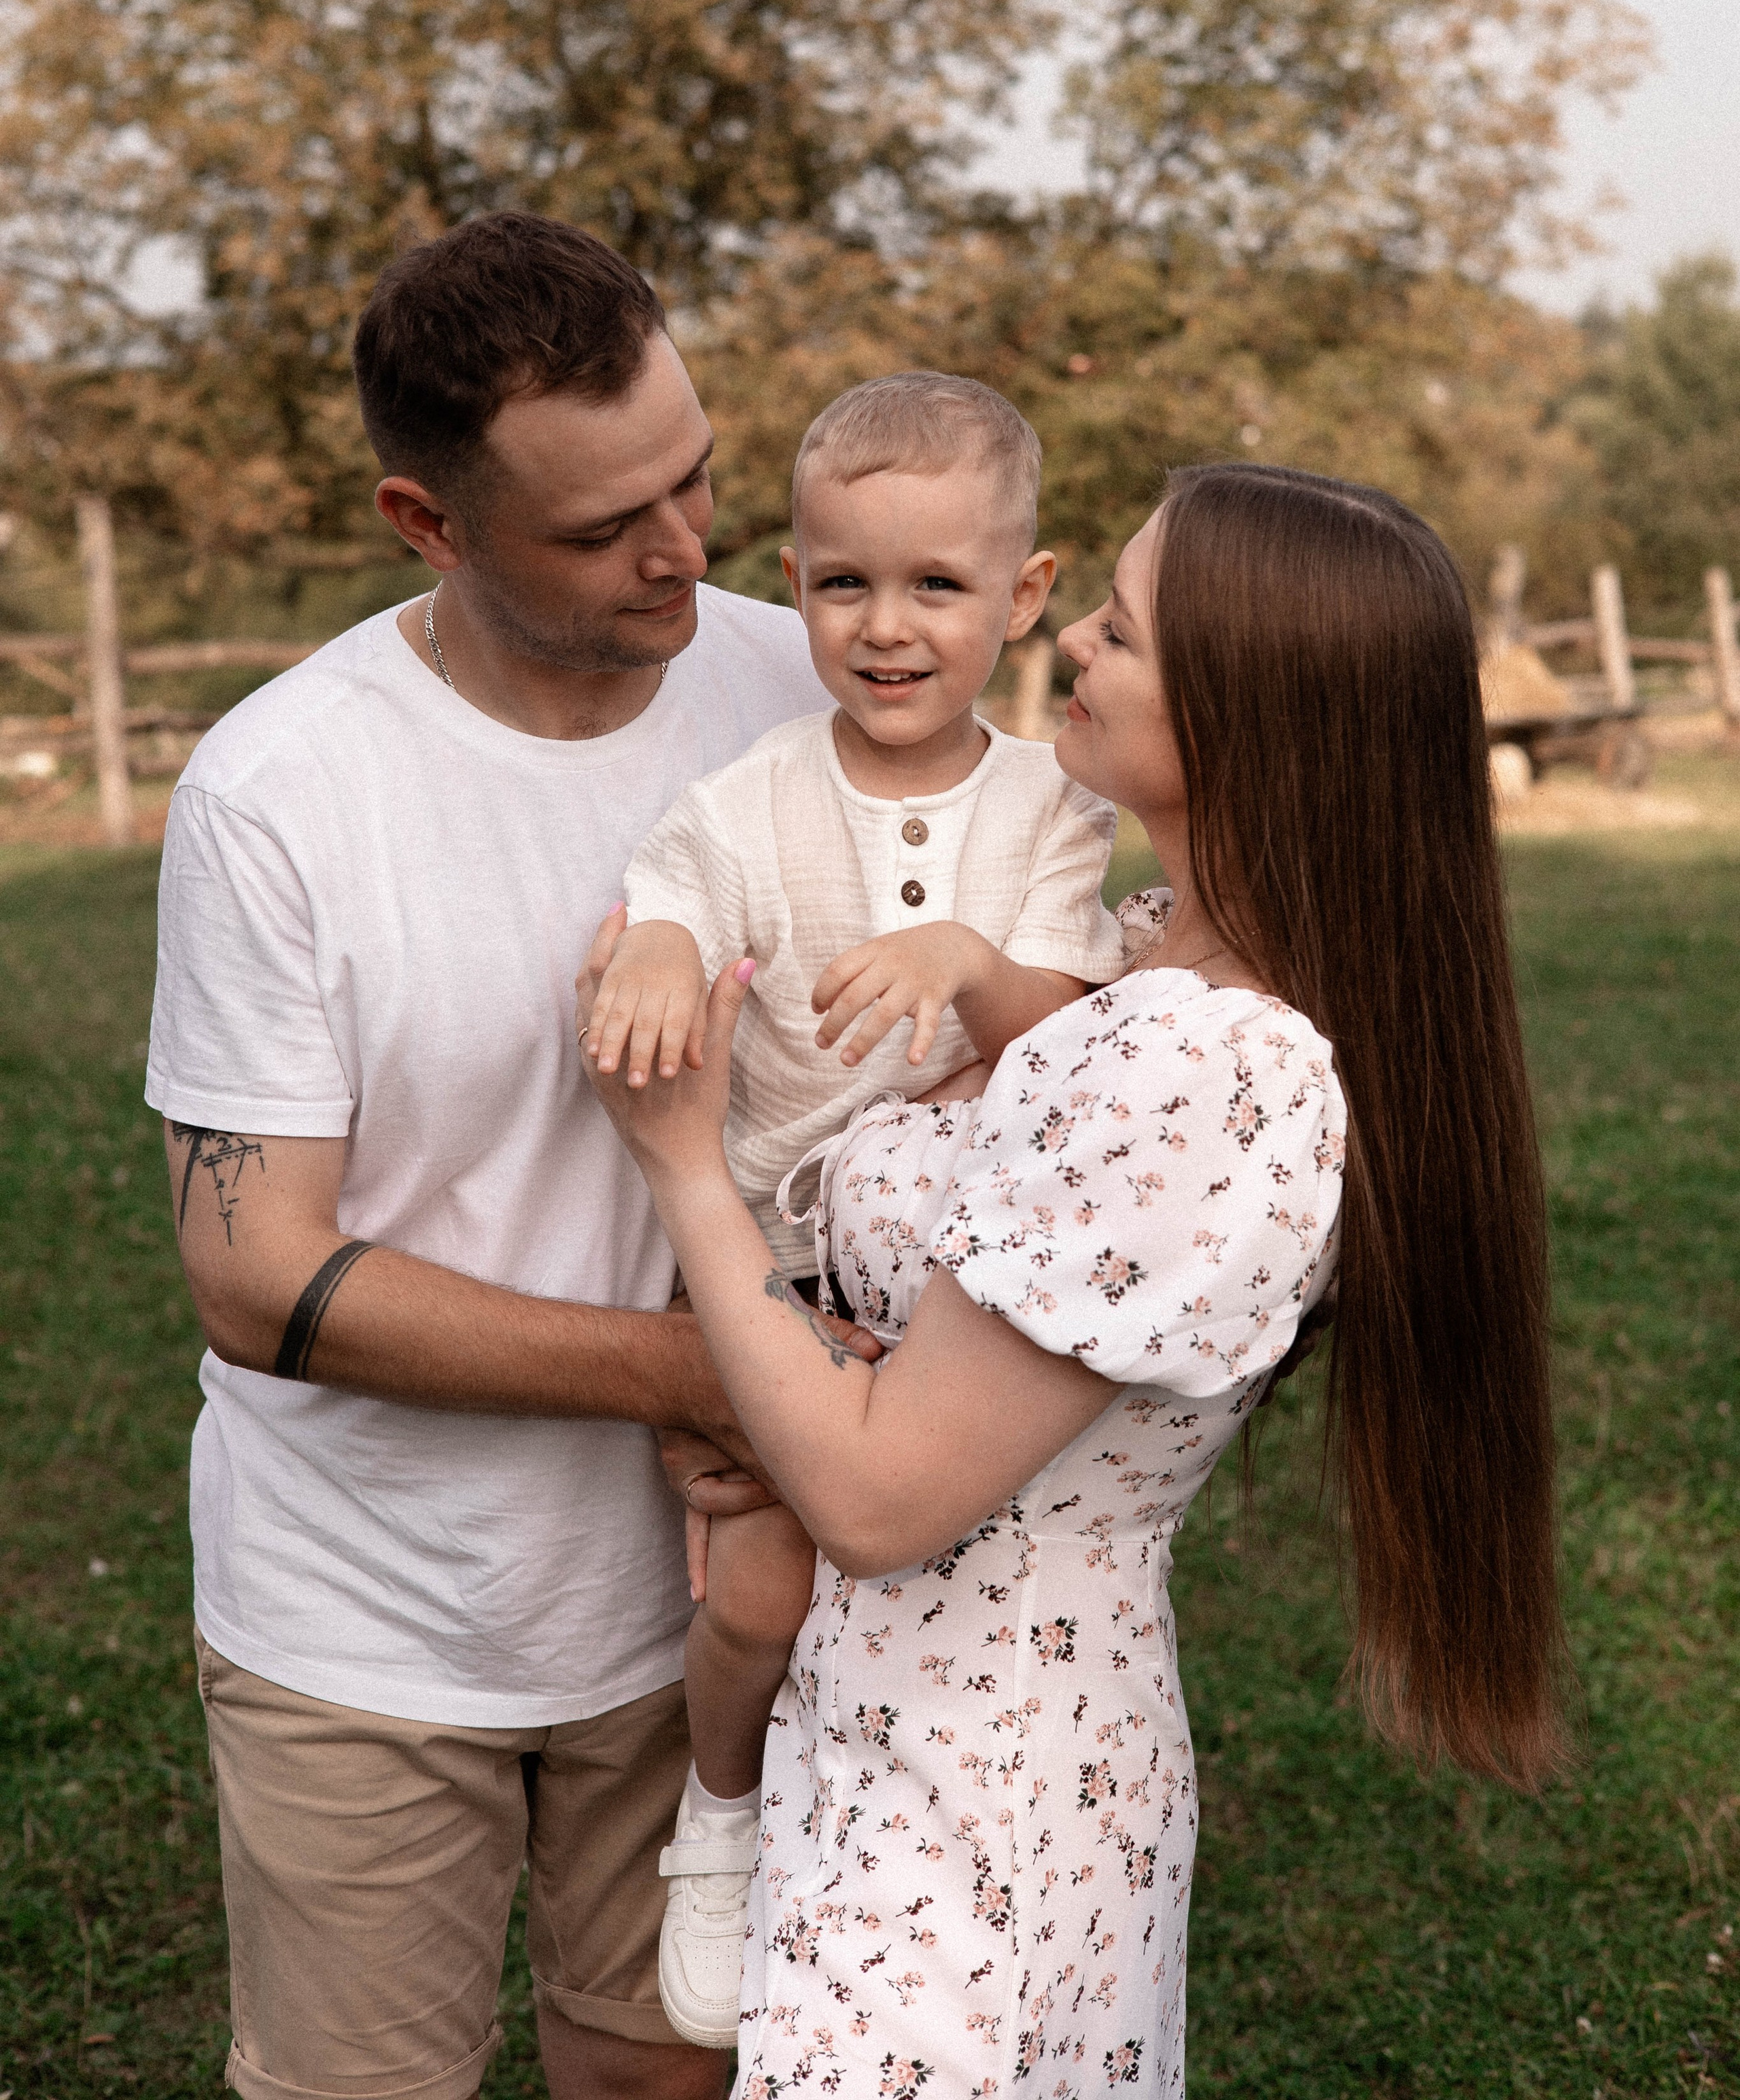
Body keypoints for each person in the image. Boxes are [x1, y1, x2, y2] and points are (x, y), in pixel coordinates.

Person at [579, 460, 1565, 2097]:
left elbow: (888, 1499)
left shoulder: (1198, 1067)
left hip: (979, 1788)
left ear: (1252, 712)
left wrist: (684, 1165)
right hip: (914, 1732)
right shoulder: (1146, 954)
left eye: (1119, 627)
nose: (1077, 651)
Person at [147, 211, 862, 2100]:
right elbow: (255, 1273)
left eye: (698, 478)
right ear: (427, 524)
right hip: (370, 1619)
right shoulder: (280, 793)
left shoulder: (812, 692)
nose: (686, 550)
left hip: (711, 1600)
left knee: (668, 2075)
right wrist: (705, 1375)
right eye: (603, 527)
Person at [590, 375, 1126, 2045]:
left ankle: (929, 1892)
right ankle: (725, 1817)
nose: (884, 629)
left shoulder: (1049, 811)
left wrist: (970, 965)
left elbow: (1069, 1032)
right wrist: (668, 946)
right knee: (755, 1595)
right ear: (794, 574)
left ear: (1022, 597)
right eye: (841, 585)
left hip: (958, 1291)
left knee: (911, 1603)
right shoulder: (752, 795)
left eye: (936, 588)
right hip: (773, 1265)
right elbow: (666, 897)